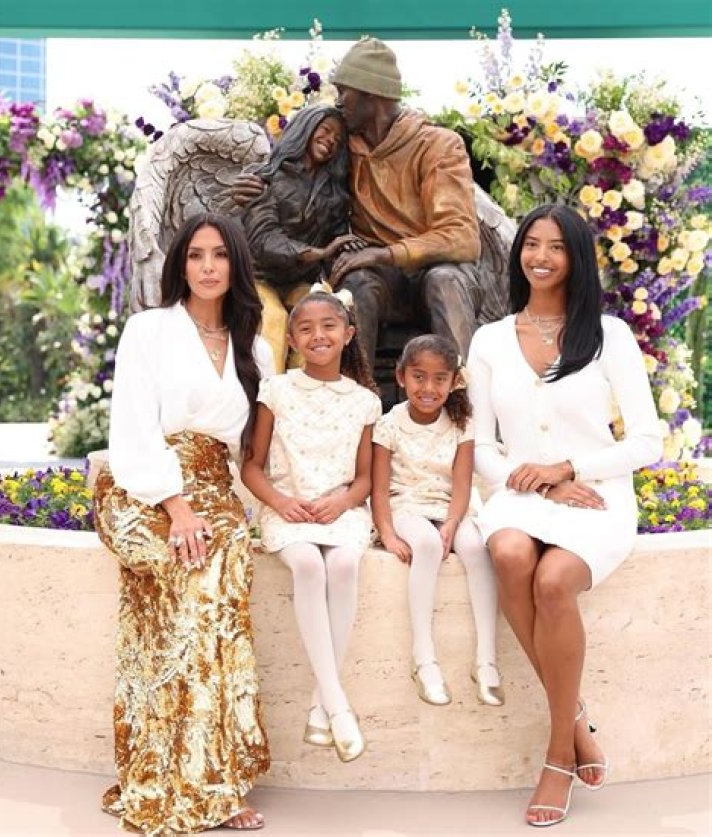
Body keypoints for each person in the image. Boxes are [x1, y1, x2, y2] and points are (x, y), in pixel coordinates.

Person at [467, 204, 662, 827]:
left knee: (553, 582)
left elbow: (647, 442)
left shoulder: (610, 336)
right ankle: (573, 720)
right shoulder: (490, 339)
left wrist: (569, 470)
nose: (541, 257)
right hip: (519, 493)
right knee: (510, 554)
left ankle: (556, 757)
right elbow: (480, 444)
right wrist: (537, 485)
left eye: (556, 247)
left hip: (595, 495)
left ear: (576, 258)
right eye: (531, 244)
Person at [94, 213, 274, 833]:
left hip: (215, 489)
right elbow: (134, 427)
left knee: (218, 580)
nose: (206, 266)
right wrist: (175, 506)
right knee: (187, 570)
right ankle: (173, 773)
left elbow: (260, 445)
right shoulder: (149, 329)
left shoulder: (255, 346)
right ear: (180, 264)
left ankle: (213, 777)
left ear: (235, 265)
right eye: (195, 255)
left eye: (219, 255)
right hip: (142, 485)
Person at [233, 37, 509, 365]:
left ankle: (462, 396)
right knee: (356, 282)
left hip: (436, 271)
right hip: (380, 279)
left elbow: (462, 238)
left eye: (343, 93)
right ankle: (355, 398)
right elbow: (294, 170)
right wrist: (255, 183)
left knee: (444, 281)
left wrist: (383, 253)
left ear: (370, 94)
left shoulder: (438, 145)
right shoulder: (343, 146)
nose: (338, 104)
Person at [241, 289, 381, 763]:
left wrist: (341, 502)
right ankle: (336, 707)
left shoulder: (365, 402)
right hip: (287, 509)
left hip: (341, 513)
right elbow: (253, 467)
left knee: (343, 566)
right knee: (307, 566)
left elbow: (364, 479)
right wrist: (281, 501)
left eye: (328, 326)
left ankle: (322, 708)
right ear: (294, 341)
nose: (318, 335)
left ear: (348, 334)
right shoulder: (276, 391)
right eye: (305, 328)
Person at [371, 334, 503, 708]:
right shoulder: (389, 424)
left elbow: (462, 484)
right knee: (427, 546)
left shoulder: (462, 423)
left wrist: (451, 523)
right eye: (418, 377)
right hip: (405, 505)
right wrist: (387, 533)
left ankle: (487, 659)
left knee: (476, 547)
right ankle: (424, 658)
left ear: (453, 381)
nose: (428, 388)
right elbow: (379, 490)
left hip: (449, 505)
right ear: (401, 377)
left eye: (439, 379)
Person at [241, 105, 363, 372]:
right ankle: (269, 402)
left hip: (300, 280)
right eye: (325, 131)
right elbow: (264, 240)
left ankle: (308, 398)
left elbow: (338, 241)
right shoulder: (267, 177)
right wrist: (318, 253)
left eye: (337, 140)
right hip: (258, 278)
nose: (330, 140)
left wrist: (346, 254)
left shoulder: (334, 195)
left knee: (318, 318)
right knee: (274, 319)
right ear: (306, 128)